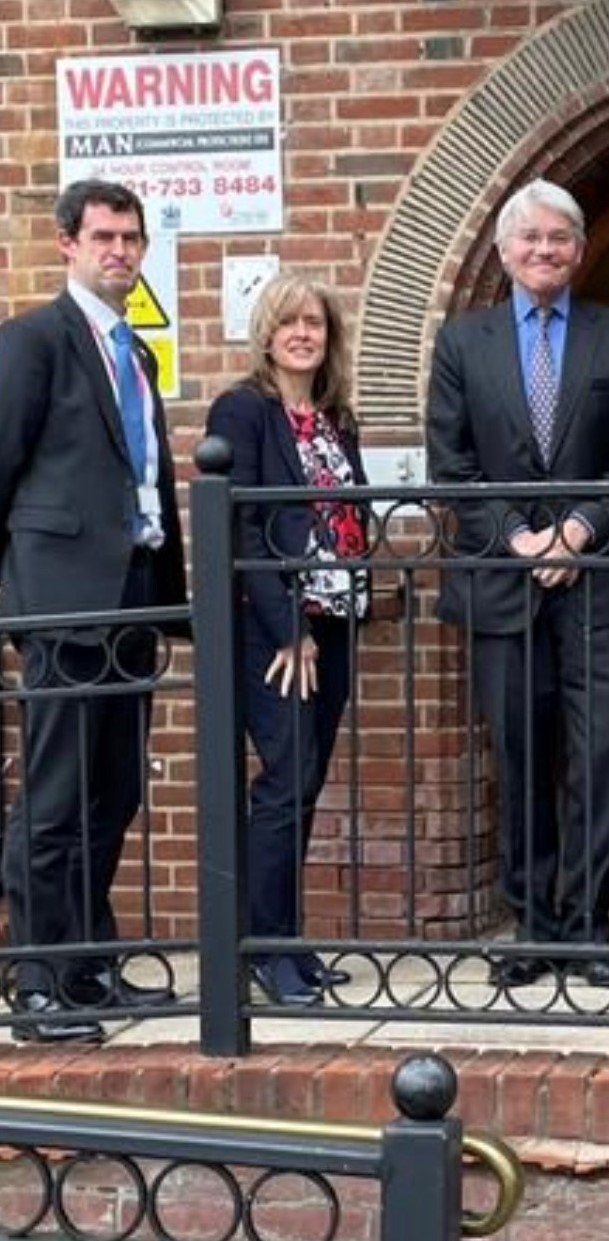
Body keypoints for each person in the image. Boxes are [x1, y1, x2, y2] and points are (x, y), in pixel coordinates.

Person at [426, 179, 609, 990]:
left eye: (559, 239)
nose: (544, 251)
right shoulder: (463, 344)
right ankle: (534, 922)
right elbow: (450, 466)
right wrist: (519, 538)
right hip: (503, 582)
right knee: (522, 757)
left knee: (602, 754)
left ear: (580, 250)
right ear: (504, 251)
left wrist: (580, 531)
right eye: (529, 239)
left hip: (600, 585)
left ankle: (589, 923)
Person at [0, 179, 188, 1044]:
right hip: (61, 607)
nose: (119, 250)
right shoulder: (34, 341)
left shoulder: (138, 353)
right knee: (53, 800)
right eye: (104, 236)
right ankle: (35, 981)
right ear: (67, 245)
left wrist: (171, 599)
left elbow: (146, 480)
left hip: (130, 606)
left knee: (111, 795)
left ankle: (88, 965)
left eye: (131, 237)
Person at [206, 273, 369, 1007]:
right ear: (266, 334)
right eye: (289, 322)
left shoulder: (336, 418)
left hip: (334, 621)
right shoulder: (243, 411)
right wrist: (289, 628)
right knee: (282, 782)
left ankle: (287, 941)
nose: (303, 333)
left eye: (315, 323)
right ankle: (263, 949)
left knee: (302, 784)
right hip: (277, 630)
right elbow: (242, 526)